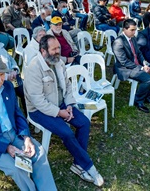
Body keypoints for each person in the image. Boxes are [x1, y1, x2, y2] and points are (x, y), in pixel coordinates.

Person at [0, 56, 57, 191]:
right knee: (16, 168)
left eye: (2, 74)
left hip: (13, 134)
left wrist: (26, 138)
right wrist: (7, 146)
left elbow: (17, 113)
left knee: (40, 153)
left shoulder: (7, 86)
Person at [24, 35, 104, 187]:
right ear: (43, 51)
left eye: (58, 48)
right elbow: (38, 101)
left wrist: (69, 105)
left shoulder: (59, 62)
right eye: (53, 49)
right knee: (66, 133)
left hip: (60, 104)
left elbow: (67, 87)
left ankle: (78, 164)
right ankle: (89, 166)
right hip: (39, 110)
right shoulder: (34, 68)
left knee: (84, 123)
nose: (57, 51)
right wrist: (59, 112)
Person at [112, 19, 150, 113]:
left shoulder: (133, 38)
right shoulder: (118, 42)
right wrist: (141, 68)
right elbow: (124, 62)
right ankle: (138, 101)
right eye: (132, 30)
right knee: (148, 79)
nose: (134, 32)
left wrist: (144, 63)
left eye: (135, 30)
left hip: (138, 65)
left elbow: (139, 53)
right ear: (124, 29)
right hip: (125, 69)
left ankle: (147, 95)